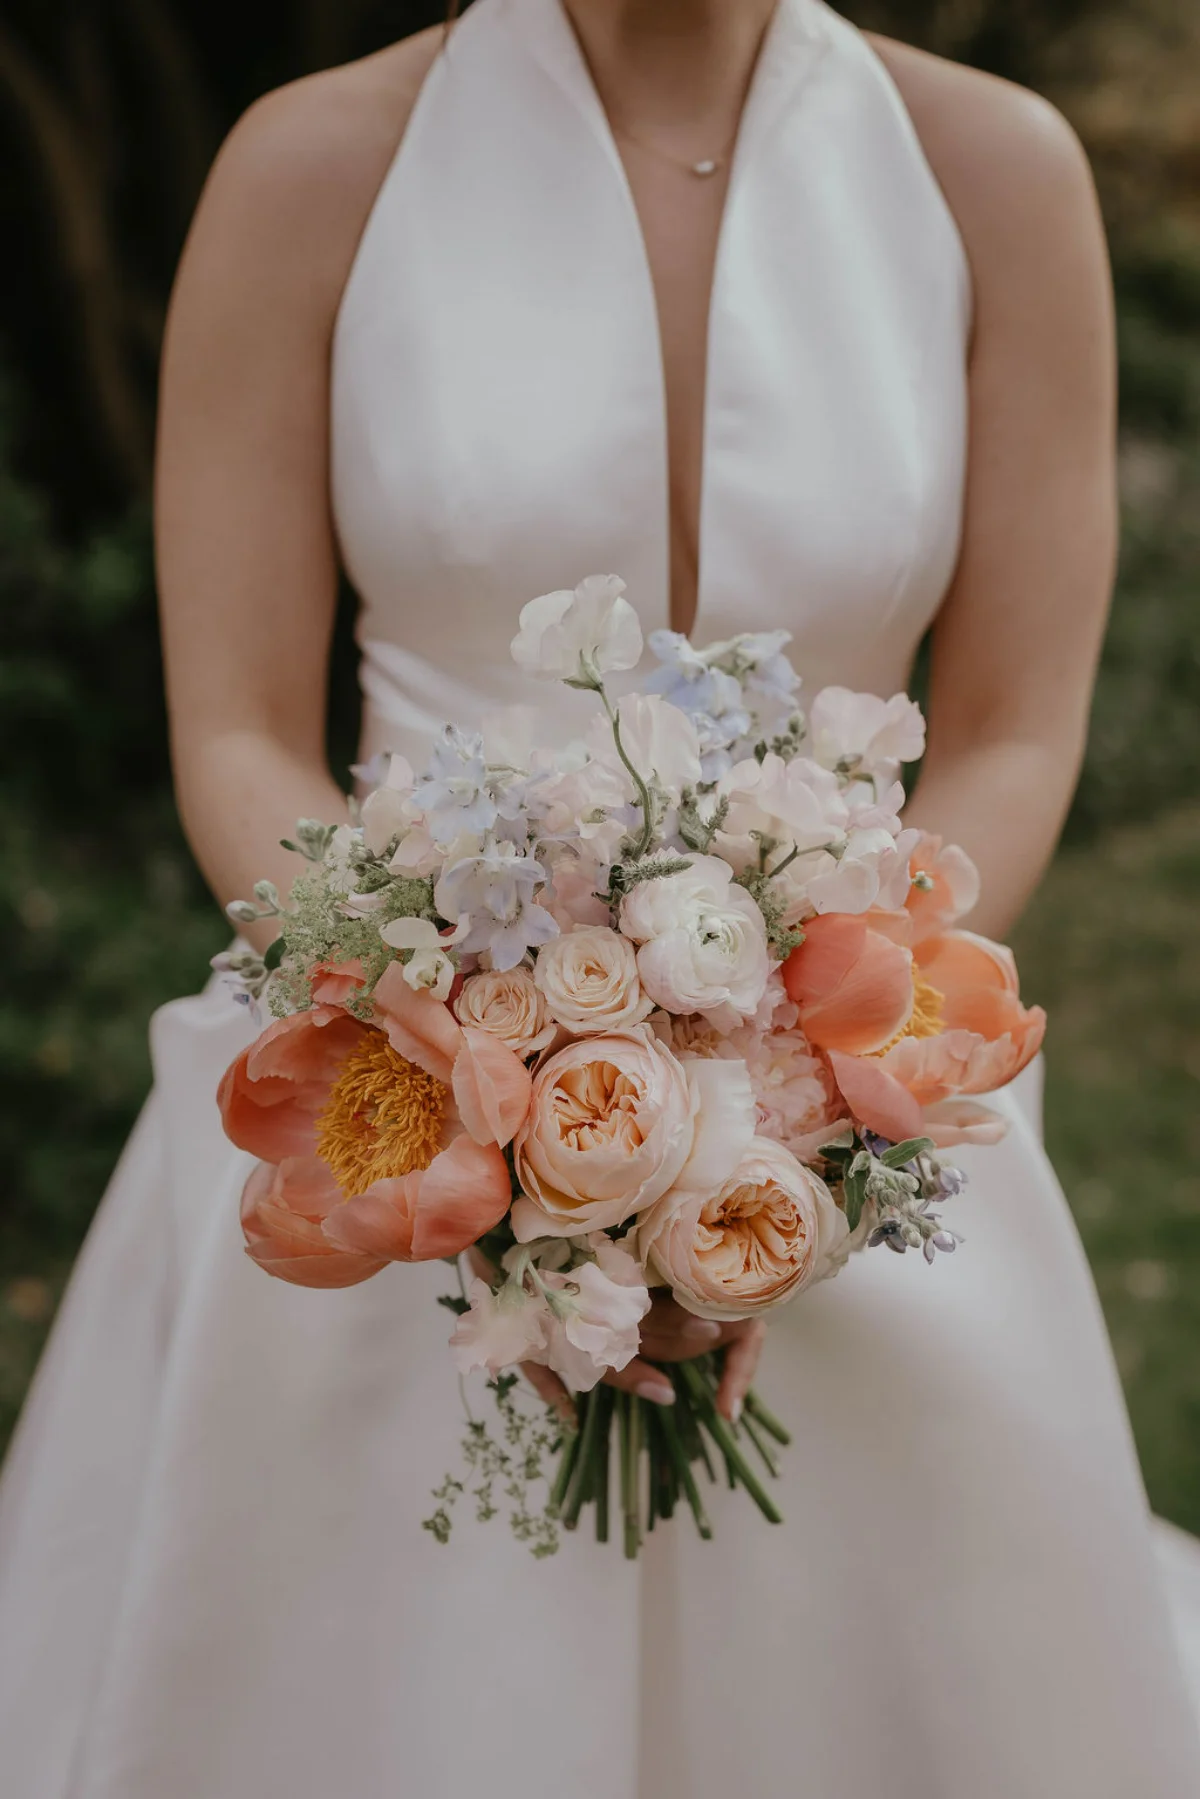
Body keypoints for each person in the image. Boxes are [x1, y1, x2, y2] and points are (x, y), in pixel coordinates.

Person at [2, 0, 1198, 1792]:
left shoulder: (996, 177)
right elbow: (239, 727)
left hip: (847, 1128)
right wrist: (455, 1061)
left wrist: (786, 1088)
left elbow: (1015, 731)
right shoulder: (312, 168)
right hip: (391, 1115)